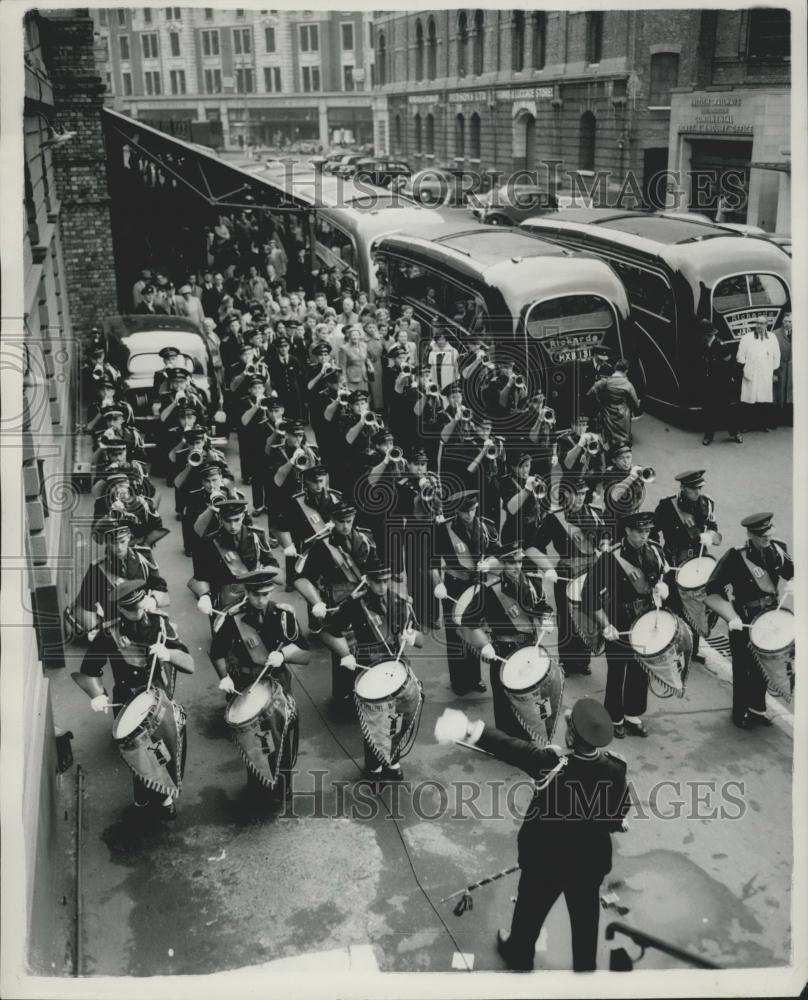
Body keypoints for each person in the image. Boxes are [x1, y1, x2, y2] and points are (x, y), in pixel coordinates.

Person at [434, 697, 629, 972]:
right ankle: (585, 969)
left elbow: (510, 748)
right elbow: (616, 814)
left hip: (546, 859)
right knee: (585, 919)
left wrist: (469, 728)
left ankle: (519, 954)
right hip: (589, 862)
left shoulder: (552, 764)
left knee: (529, 912)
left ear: (572, 735)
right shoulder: (615, 768)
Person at [77, 584, 194, 821]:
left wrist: (168, 653)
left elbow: (189, 662)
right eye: (130, 610)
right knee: (137, 751)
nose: (137, 613)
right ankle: (142, 794)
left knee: (165, 746)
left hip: (158, 696)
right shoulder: (109, 633)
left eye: (139, 606)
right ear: (120, 609)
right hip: (127, 699)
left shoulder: (161, 624)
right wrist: (97, 695)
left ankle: (165, 796)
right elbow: (90, 669)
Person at [210, 567, 310, 803]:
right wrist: (224, 677)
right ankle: (259, 784)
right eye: (256, 595)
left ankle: (283, 785)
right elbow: (217, 653)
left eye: (266, 594)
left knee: (281, 734)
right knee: (253, 738)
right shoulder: (232, 618)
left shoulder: (283, 615)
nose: (261, 600)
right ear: (246, 592)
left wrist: (284, 655)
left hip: (277, 683)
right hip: (247, 684)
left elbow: (305, 654)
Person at [328, 557, 423, 781]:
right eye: (377, 581)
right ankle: (374, 765)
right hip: (368, 665)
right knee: (375, 717)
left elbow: (420, 640)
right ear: (367, 581)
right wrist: (345, 655)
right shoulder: (355, 605)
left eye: (386, 580)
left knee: (397, 715)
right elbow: (329, 630)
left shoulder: (400, 602)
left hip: (396, 665)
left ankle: (393, 760)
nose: (382, 586)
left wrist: (411, 637)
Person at [582, 510, 671, 738]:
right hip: (619, 619)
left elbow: (662, 576)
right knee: (617, 670)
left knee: (641, 667)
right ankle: (614, 716)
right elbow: (589, 594)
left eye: (647, 531)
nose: (644, 536)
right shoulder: (612, 557)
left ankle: (632, 714)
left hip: (647, 618)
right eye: (639, 531)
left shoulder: (655, 551)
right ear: (628, 531)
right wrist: (605, 625)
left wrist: (663, 589)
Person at [705, 512, 793, 728]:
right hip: (743, 619)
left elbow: (791, 572)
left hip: (769, 617)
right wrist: (731, 616)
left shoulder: (777, 548)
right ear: (751, 535)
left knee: (764, 664)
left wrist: (795, 582)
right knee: (743, 669)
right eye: (763, 536)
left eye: (769, 533)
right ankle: (740, 712)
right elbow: (712, 590)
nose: (768, 539)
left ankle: (757, 709)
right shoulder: (736, 556)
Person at [460, 544, 554, 737]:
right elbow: (467, 620)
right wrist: (484, 644)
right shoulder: (491, 591)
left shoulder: (532, 583)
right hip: (503, 651)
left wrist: (546, 618)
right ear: (502, 563)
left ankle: (531, 733)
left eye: (519, 561)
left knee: (532, 693)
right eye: (511, 562)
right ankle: (508, 741)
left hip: (529, 647)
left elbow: (543, 606)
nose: (516, 566)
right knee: (505, 703)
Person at [293, 500, 377, 700]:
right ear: (331, 521)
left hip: (365, 601)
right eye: (341, 522)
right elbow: (301, 577)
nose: (346, 526)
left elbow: (376, 568)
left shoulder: (365, 539)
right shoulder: (322, 547)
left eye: (349, 521)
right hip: (339, 603)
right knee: (343, 648)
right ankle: (344, 695)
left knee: (368, 645)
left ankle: (367, 691)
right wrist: (316, 602)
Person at [433, 490, 500, 695]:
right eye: (465, 512)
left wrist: (489, 563)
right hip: (454, 585)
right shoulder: (444, 529)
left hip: (477, 585)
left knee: (474, 627)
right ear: (457, 512)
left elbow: (498, 554)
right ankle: (459, 680)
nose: (470, 515)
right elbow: (432, 561)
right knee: (456, 633)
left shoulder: (486, 526)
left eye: (472, 510)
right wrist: (438, 583)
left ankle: (474, 678)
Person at [652, 469, 720, 664]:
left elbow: (715, 530)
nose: (697, 492)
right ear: (683, 488)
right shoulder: (668, 506)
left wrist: (711, 537)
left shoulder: (707, 503)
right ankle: (670, 646)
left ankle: (692, 648)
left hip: (698, 562)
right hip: (674, 562)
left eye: (699, 488)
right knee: (674, 605)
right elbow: (653, 532)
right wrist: (659, 556)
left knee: (697, 603)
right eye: (693, 489)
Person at [74, 518, 169, 635]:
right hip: (117, 629)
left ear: (129, 537)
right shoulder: (97, 569)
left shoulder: (143, 556)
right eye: (114, 543)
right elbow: (85, 604)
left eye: (123, 541)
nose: (119, 547)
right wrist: (94, 630)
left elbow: (159, 585)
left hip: (147, 619)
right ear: (106, 542)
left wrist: (153, 601)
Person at [188, 498, 278, 619]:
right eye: (228, 521)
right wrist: (204, 596)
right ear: (220, 519)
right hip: (223, 597)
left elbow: (271, 563)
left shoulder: (257, 536)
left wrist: (262, 575)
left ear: (243, 516)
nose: (232, 526)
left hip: (253, 593)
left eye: (237, 520)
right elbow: (200, 574)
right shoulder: (210, 542)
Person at [697, 319, 742, 445]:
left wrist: (713, 363)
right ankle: (708, 435)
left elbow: (728, 365)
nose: (702, 337)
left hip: (721, 382)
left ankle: (735, 433)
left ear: (708, 335)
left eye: (704, 335)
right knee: (708, 409)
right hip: (708, 381)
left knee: (726, 409)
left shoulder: (721, 345)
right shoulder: (702, 343)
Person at [585, 359, 640, 456]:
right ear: (626, 371)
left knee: (608, 444)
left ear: (615, 369)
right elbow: (635, 405)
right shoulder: (628, 385)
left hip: (607, 418)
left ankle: (609, 463)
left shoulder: (604, 382)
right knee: (623, 445)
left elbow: (589, 394)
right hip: (623, 420)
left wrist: (600, 404)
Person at [737, 319, 780, 433]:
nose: (759, 326)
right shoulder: (747, 337)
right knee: (749, 398)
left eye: (762, 323)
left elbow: (777, 354)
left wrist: (774, 369)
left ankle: (762, 424)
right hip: (751, 372)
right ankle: (746, 425)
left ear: (766, 325)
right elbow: (740, 354)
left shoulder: (772, 337)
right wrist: (745, 364)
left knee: (763, 399)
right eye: (757, 323)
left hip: (766, 372)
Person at [772, 313, 792, 426]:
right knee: (778, 394)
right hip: (780, 367)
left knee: (791, 394)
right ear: (782, 322)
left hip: (792, 369)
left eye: (790, 322)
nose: (788, 324)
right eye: (786, 321)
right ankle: (775, 420)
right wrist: (773, 372)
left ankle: (789, 419)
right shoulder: (775, 334)